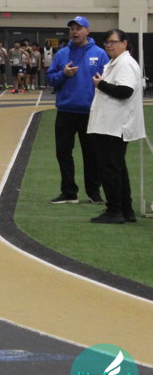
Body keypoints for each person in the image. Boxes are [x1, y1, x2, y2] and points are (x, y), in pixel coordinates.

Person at [46, 16, 109, 204]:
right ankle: (69, 192)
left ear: (87, 31)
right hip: (65, 111)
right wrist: (63, 74)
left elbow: (108, 81)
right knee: (63, 153)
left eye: (79, 28)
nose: (75, 32)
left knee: (92, 154)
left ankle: (93, 191)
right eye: (72, 28)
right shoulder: (62, 54)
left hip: (91, 112)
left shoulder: (100, 54)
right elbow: (50, 79)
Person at [87, 29, 145, 224]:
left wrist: (101, 85)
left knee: (110, 169)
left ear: (124, 43)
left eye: (113, 42)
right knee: (117, 168)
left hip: (114, 125)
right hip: (111, 124)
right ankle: (125, 209)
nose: (109, 45)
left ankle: (114, 210)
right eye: (107, 43)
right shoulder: (116, 63)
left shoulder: (125, 63)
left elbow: (125, 91)